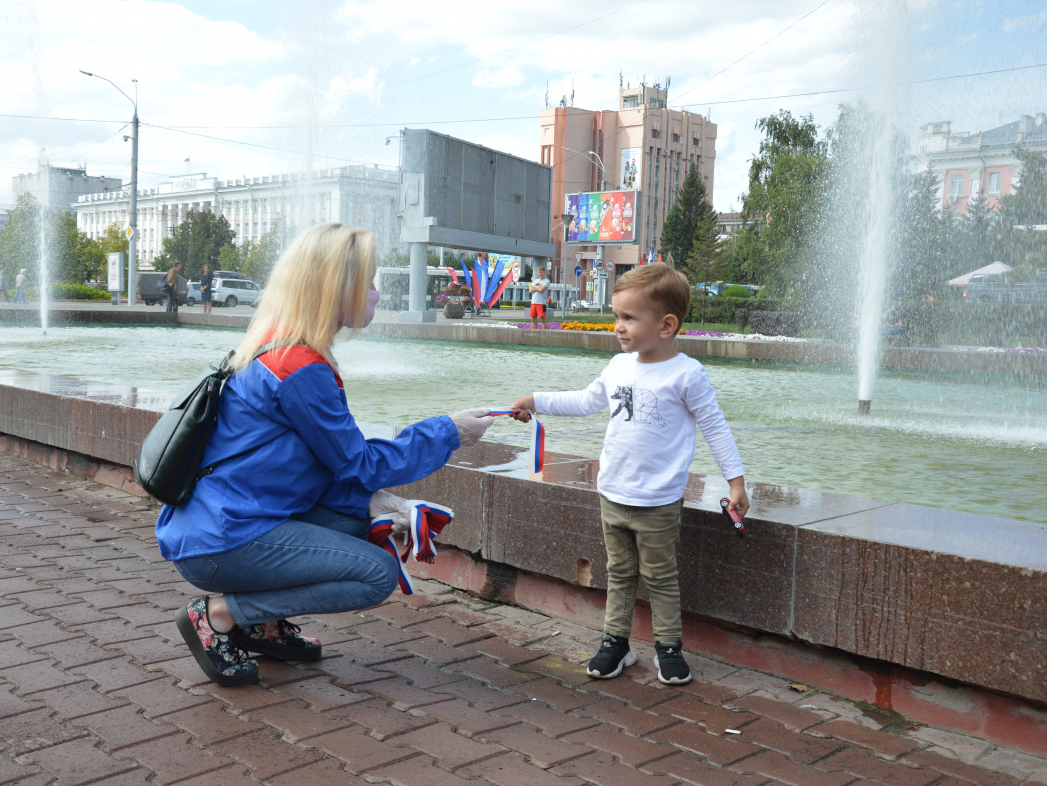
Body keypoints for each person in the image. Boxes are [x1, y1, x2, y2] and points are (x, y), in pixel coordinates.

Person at [157, 223, 495, 686]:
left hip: (217, 525)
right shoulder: (299, 367)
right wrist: (449, 431)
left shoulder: (275, 344)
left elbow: (320, 463)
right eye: (369, 283)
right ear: (337, 288)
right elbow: (359, 462)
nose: (377, 294)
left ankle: (262, 624)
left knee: (365, 526)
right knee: (375, 574)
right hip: (224, 539)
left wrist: (377, 504)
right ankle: (220, 613)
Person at [510, 263, 749, 685]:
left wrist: (736, 481)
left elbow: (715, 426)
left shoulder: (686, 374)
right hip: (613, 492)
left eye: (629, 318)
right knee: (619, 572)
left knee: (660, 575)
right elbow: (585, 401)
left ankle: (668, 647)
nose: (618, 327)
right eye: (617, 316)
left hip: (658, 499)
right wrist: (535, 400)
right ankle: (615, 643)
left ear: (666, 324)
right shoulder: (620, 365)